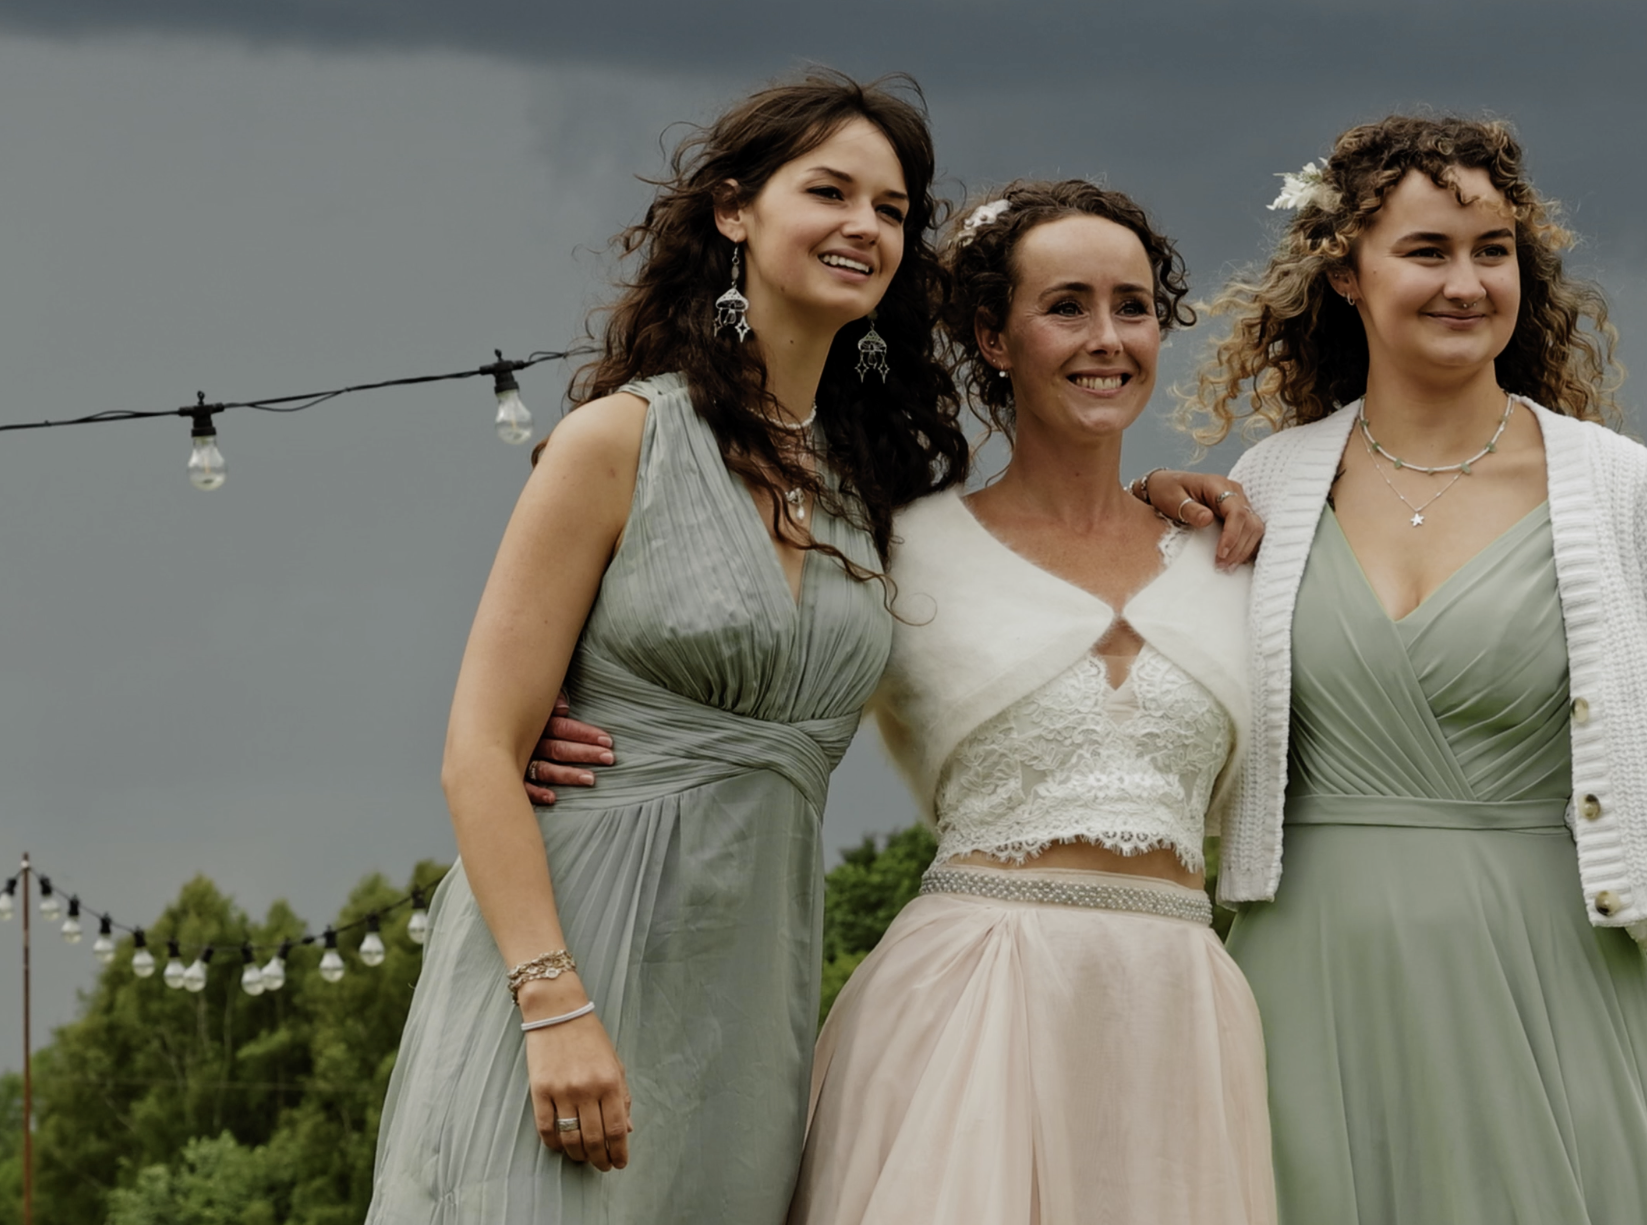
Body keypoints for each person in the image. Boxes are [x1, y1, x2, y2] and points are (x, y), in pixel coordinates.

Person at [530, 182, 1274, 1224]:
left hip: (1179, 1017)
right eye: (1066, 306)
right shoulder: (896, 549)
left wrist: (1166, 491)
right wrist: (586, 716)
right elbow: (742, 657)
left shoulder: (1234, 552)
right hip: (966, 1016)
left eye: (1134, 307)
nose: (1106, 338)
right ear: (993, 336)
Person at [365, 71, 972, 1223]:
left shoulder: (874, 490)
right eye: (830, 191)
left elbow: (1042, 551)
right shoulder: (616, 441)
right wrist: (551, 1004)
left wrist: (1177, 503)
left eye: (891, 209)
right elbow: (478, 752)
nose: (863, 225)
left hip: (746, 996)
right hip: (569, 966)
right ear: (733, 209)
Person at [1177, 114, 1647, 1224]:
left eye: (1493, 251)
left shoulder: (1619, 488)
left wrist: (1606, 1008)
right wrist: (1142, 506)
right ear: (1345, 273)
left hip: (1552, 989)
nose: (1466, 282)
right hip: (1303, 982)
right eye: (1427, 250)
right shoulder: (1271, 483)